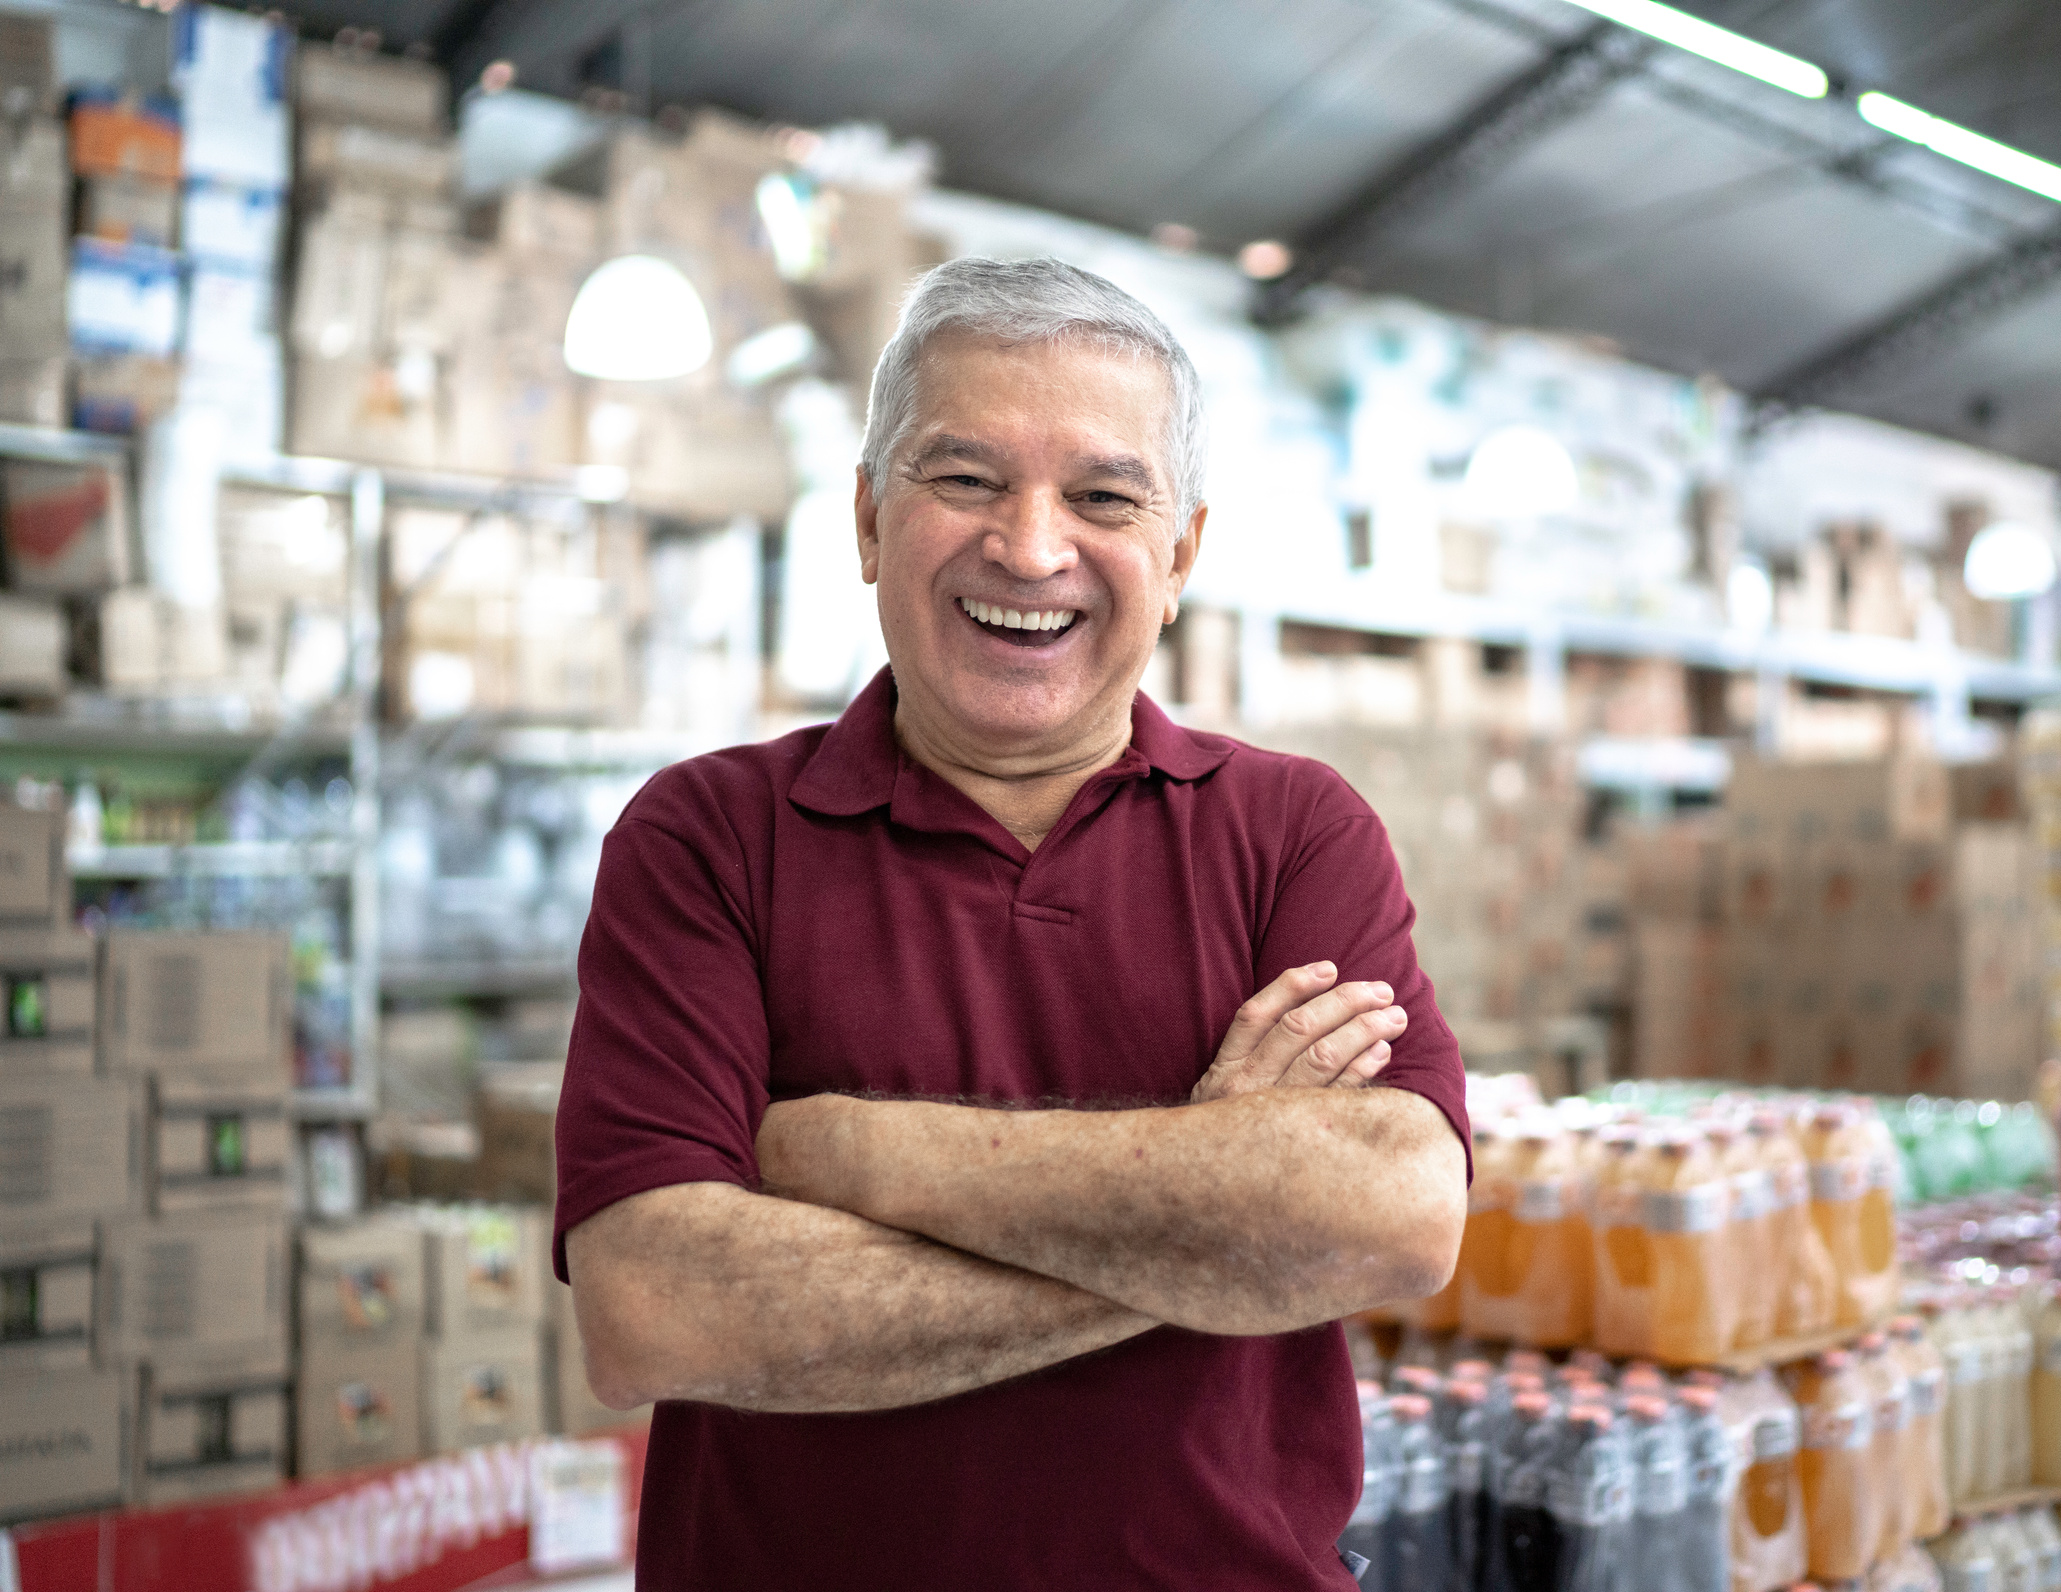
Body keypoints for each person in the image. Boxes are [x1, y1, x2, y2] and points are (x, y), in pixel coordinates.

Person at [555, 255, 1470, 1589]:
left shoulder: (1293, 833)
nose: (1030, 548)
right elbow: (657, 1307)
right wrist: (1220, 1212)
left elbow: (1392, 1216)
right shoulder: (706, 840)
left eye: (1101, 496)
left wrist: (853, 1151)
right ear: (869, 521)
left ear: (1178, 558)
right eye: (966, 479)